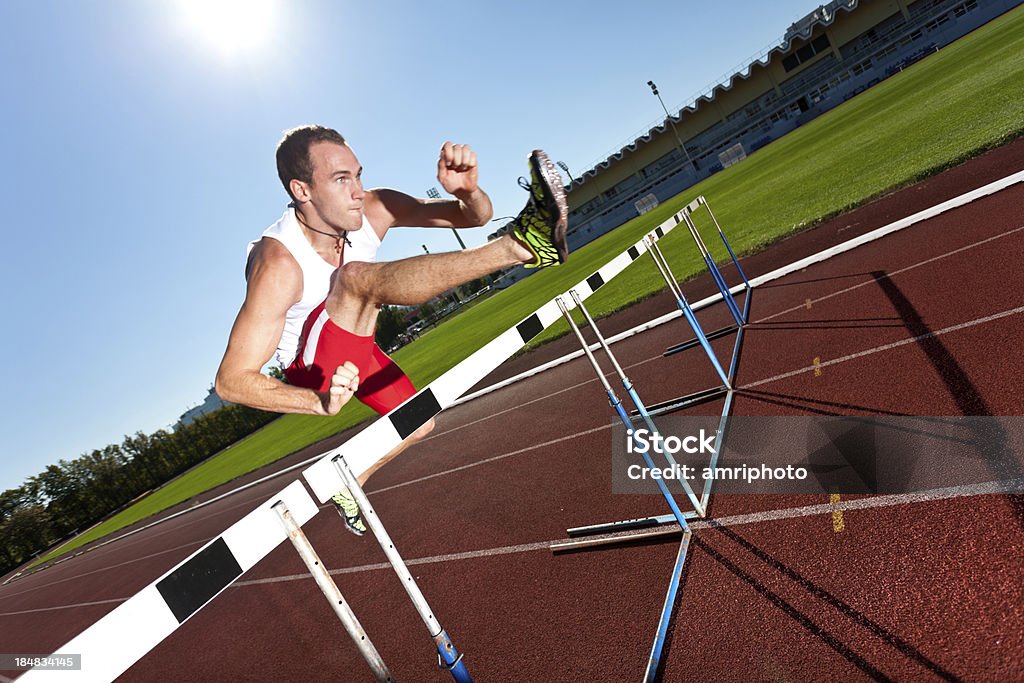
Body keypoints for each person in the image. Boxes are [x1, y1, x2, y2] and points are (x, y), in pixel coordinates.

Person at [215, 125, 568, 534]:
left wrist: (467, 192)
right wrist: (316, 401)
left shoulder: (375, 208)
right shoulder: (278, 264)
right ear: (302, 190)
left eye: (358, 174)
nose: (358, 191)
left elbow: (473, 218)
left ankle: (349, 483)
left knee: (418, 421)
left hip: (355, 339)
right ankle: (521, 246)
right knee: (353, 280)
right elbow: (231, 381)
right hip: (311, 366)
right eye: (340, 179)